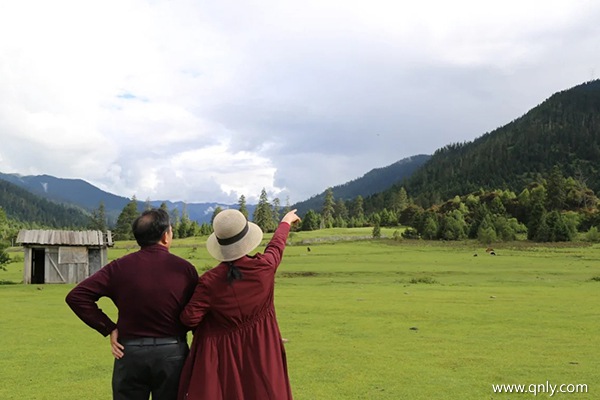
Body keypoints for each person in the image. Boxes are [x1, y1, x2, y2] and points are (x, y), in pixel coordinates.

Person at [66, 208, 199, 400]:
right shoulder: (185, 269)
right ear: (165, 236)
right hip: (172, 353)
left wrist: (109, 327)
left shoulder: (119, 267)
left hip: (130, 353)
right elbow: (196, 312)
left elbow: (77, 296)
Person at [178, 208, 301, 400]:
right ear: (247, 240)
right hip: (263, 348)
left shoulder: (209, 282)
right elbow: (276, 247)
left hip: (224, 356)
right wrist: (285, 222)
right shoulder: (264, 267)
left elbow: (189, 318)